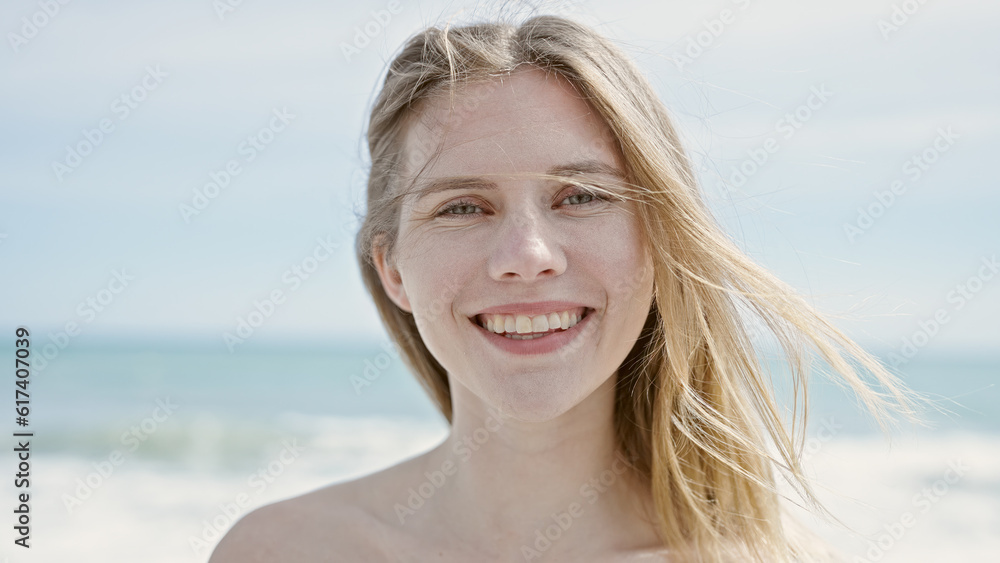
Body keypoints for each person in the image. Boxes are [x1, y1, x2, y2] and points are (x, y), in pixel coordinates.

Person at [210, 14, 918, 562]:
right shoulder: (282, 550)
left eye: (580, 196)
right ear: (392, 267)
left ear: (660, 243)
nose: (526, 255)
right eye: (462, 206)